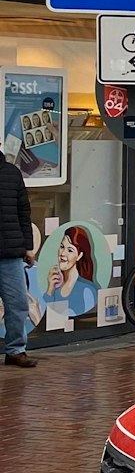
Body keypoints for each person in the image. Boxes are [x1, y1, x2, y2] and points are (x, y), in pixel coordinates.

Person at [0, 152, 34, 367]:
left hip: (11, 252)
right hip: (12, 250)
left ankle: (15, 351)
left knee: (18, 304)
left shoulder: (12, 173)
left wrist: (28, 247)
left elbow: (24, 211)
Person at [38, 225, 99, 319]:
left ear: (79, 255)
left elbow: (85, 320)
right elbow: (47, 317)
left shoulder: (87, 289)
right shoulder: (55, 288)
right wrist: (50, 289)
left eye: (70, 250)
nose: (62, 253)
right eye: (62, 247)